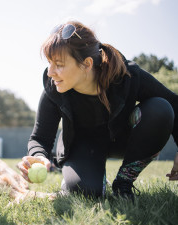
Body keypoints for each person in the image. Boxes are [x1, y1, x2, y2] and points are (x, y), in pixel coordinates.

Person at [17, 20, 178, 200]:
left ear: (86, 64)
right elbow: (40, 138)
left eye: (59, 64)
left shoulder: (127, 75)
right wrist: (38, 157)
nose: (50, 72)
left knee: (161, 108)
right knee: (85, 193)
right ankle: (91, 178)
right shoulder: (53, 86)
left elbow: (174, 103)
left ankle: (123, 183)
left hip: (123, 138)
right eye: (49, 63)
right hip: (82, 144)